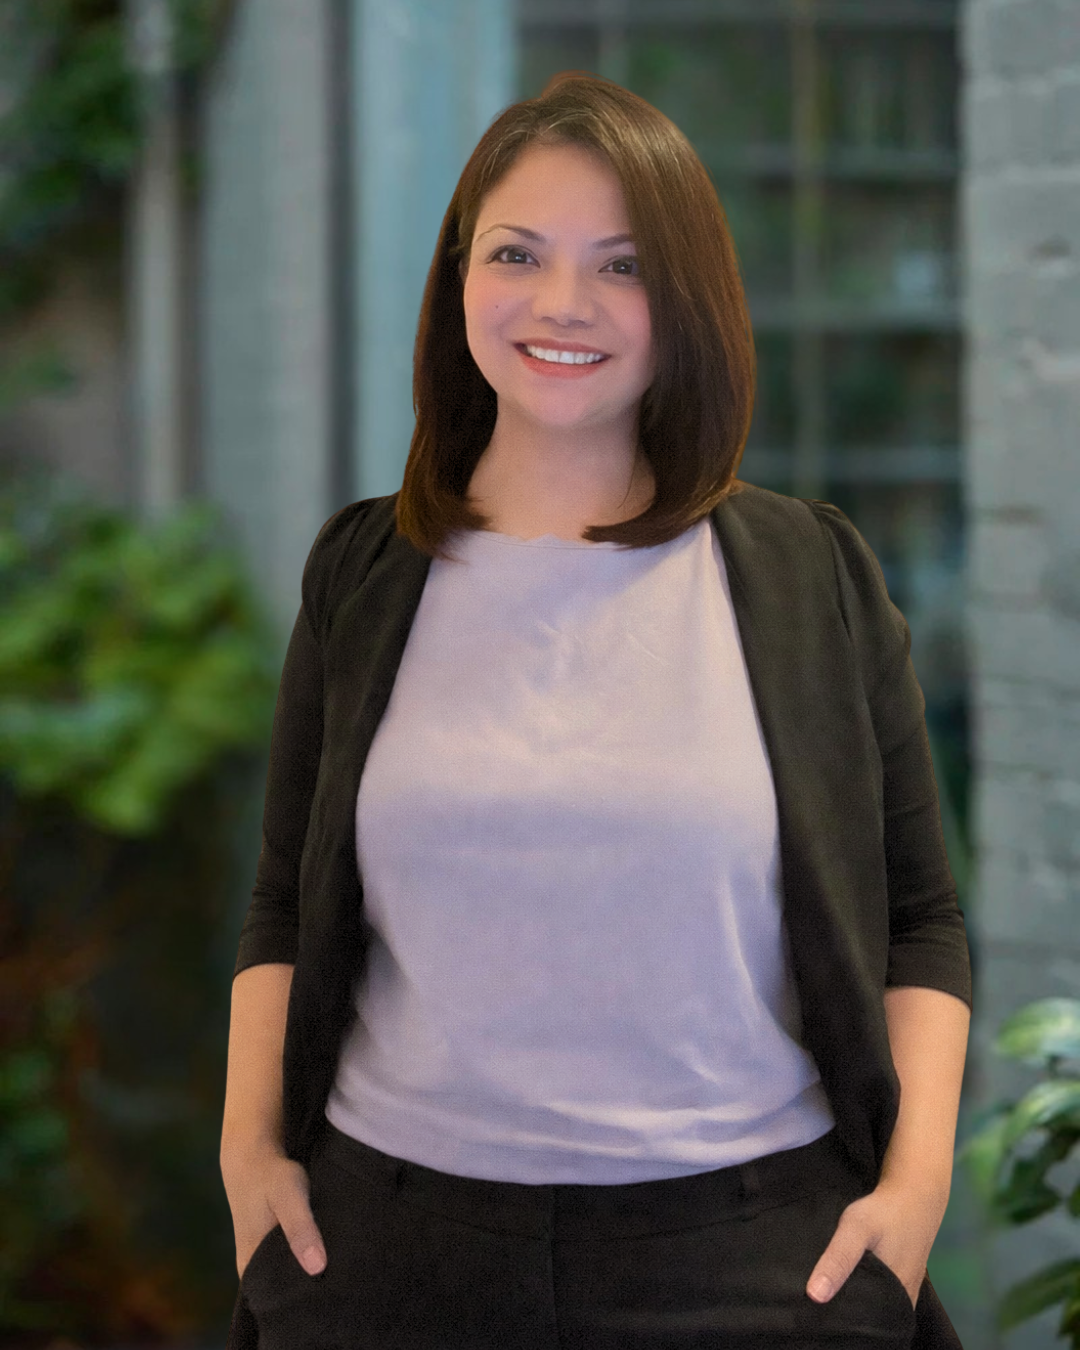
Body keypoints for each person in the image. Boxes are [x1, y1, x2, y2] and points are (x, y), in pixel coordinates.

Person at [220, 71, 972, 1349]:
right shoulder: (363, 572)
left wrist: (914, 1194)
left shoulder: (810, 574)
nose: (563, 303)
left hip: (750, 1260)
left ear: (685, 305)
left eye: (622, 267)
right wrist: (248, 1160)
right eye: (518, 252)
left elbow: (919, 919)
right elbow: (287, 904)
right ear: (460, 274)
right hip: (387, 1256)